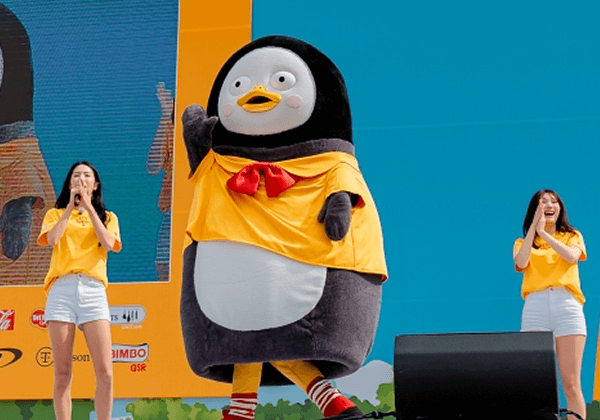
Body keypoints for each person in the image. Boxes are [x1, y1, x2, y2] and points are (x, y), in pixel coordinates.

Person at [37, 161, 122, 420]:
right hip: (62, 290)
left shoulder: (108, 217)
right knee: (62, 373)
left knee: (106, 373)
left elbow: (109, 243)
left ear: (95, 185)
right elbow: (52, 239)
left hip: (93, 289)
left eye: (87, 176)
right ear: (69, 184)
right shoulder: (54, 214)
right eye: (76, 175)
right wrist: (69, 210)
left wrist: (89, 208)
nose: (81, 179)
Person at [513, 189, 586, 420]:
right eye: (543, 202)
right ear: (534, 210)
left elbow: (571, 256)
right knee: (535, 381)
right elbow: (521, 262)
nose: (549, 205)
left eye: (554, 202)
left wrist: (545, 234)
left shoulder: (572, 236)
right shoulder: (522, 242)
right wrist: (535, 231)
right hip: (535, 306)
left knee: (571, 382)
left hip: (567, 305)